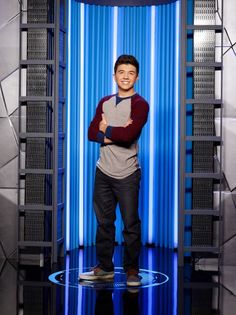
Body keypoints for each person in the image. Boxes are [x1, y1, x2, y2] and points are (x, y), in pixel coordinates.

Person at [79, 55, 149, 286]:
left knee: (130, 224)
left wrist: (105, 129)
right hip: (103, 172)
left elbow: (129, 136)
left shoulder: (140, 104)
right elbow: (91, 133)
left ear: (137, 77)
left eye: (131, 73)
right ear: (114, 75)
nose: (126, 76)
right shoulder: (104, 102)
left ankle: (131, 270)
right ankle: (105, 268)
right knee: (104, 223)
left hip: (128, 173)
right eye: (121, 72)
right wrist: (113, 134)